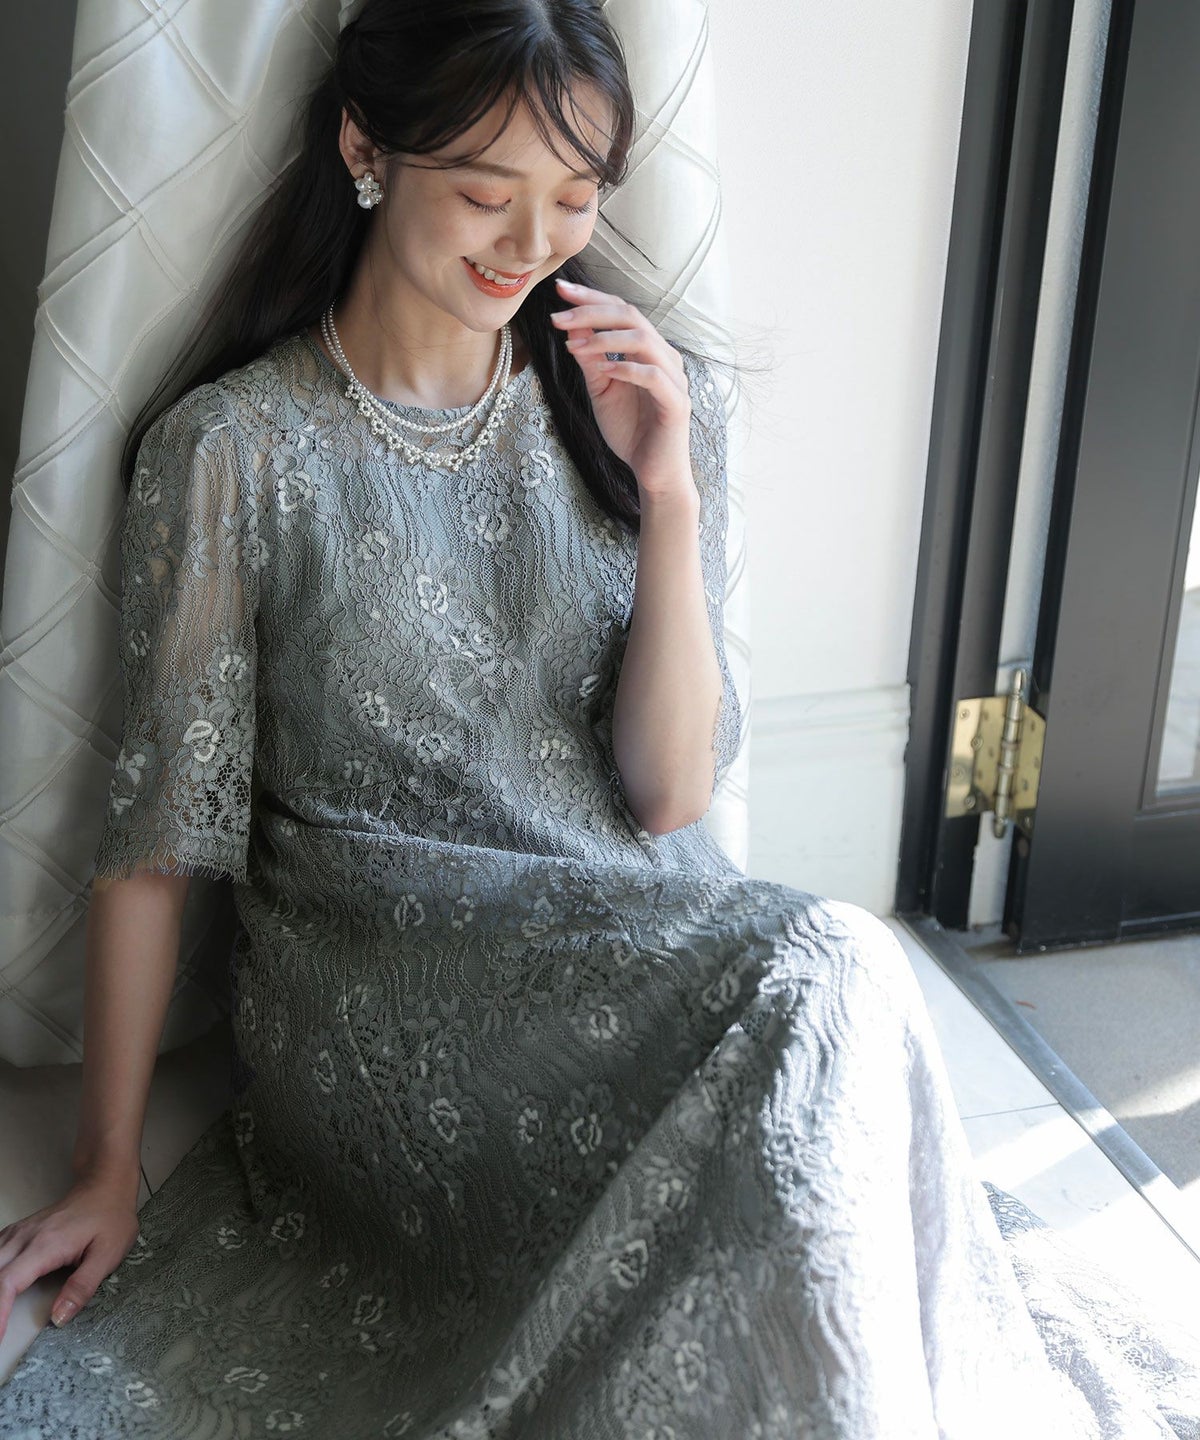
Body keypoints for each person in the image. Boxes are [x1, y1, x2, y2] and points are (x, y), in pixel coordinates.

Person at [1, 1, 1199, 1435]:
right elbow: (159, 836)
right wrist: (109, 1167)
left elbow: (671, 795)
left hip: (630, 933)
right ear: (366, 150)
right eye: (485, 193)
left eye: (574, 198)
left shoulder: (624, 403)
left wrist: (671, 494)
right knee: (827, 970)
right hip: (388, 993)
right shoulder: (235, 450)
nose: (532, 243)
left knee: (832, 998)